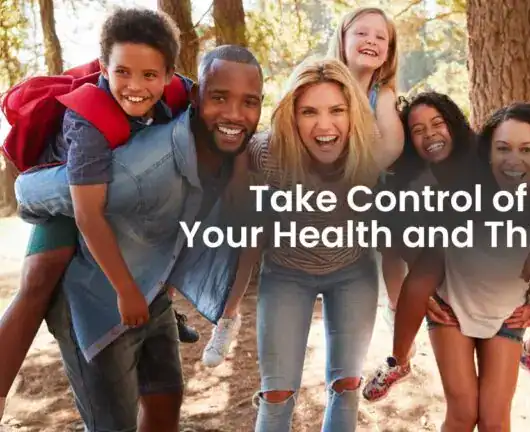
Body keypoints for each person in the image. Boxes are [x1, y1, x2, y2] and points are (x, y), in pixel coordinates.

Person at [13, 45, 264, 431]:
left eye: (249, 102)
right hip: (96, 304)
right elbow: (38, 191)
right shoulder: (141, 171)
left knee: (165, 405)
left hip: (153, 300)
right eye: (219, 98)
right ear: (196, 98)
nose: (234, 114)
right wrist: (28, 196)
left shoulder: (227, 150)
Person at [0, 8, 199, 419]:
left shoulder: (177, 94)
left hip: (114, 187)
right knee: (39, 278)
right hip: (58, 189)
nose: (136, 86)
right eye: (122, 72)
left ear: (168, 75)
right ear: (105, 70)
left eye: (149, 76)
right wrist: (127, 290)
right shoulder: (87, 119)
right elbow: (87, 214)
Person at [362, 93, 530, 404]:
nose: (429, 134)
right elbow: (397, 238)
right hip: (449, 246)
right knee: (417, 285)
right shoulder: (408, 179)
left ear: (454, 123)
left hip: (511, 251)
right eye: (417, 130)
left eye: (438, 123)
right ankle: (397, 362)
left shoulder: (485, 155)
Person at [230, 56, 400, 432]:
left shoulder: (370, 153)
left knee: (346, 386)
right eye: (309, 112)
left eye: (337, 110)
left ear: (352, 112)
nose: (324, 125)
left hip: (353, 271)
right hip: (286, 272)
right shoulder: (267, 152)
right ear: (292, 115)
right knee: (276, 393)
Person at [328, 6, 407, 330]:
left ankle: (397, 306)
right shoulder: (325, 82)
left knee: (394, 235)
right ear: (343, 40)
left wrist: (357, 177)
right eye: (361, 33)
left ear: (388, 53)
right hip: (322, 184)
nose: (370, 40)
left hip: (367, 183)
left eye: (380, 37)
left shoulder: (381, 94)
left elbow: (392, 144)